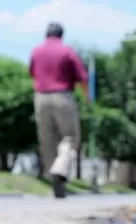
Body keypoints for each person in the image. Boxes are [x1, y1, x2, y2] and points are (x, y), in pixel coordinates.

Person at [28, 22, 89, 199]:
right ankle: (59, 170)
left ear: (46, 34)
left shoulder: (36, 51)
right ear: (62, 35)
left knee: (47, 140)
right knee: (69, 137)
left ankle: (53, 179)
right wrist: (86, 97)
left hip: (40, 98)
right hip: (62, 96)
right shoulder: (67, 51)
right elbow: (83, 78)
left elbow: (32, 73)